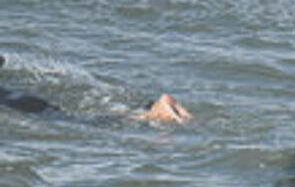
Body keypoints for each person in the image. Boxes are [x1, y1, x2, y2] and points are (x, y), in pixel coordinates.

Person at [0, 55, 193, 123]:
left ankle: (152, 113)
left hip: (19, 102)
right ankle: (147, 110)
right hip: (21, 98)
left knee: (74, 121)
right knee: (70, 116)